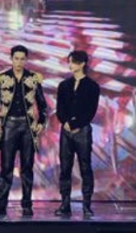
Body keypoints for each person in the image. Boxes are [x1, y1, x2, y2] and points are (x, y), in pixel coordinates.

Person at [0, 45, 47, 217]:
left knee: (27, 167)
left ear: (26, 60)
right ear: (11, 59)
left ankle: (27, 204)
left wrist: (41, 122)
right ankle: (1, 204)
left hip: (28, 126)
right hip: (9, 126)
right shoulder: (2, 78)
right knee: (6, 167)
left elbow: (42, 104)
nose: (19, 62)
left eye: (22, 59)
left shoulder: (34, 78)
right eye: (16, 58)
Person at [54, 50, 100, 218]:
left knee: (85, 167)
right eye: (69, 62)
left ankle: (86, 205)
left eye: (72, 62)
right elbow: (59, 108)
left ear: (82, 64)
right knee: (65, 168)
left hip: (82, 131)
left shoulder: (92, 86)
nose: (70, 65)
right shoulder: (64, 85)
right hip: (66, 132)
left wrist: (76, 124)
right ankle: (65, 204)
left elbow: (90, 111)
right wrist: (65, 122)